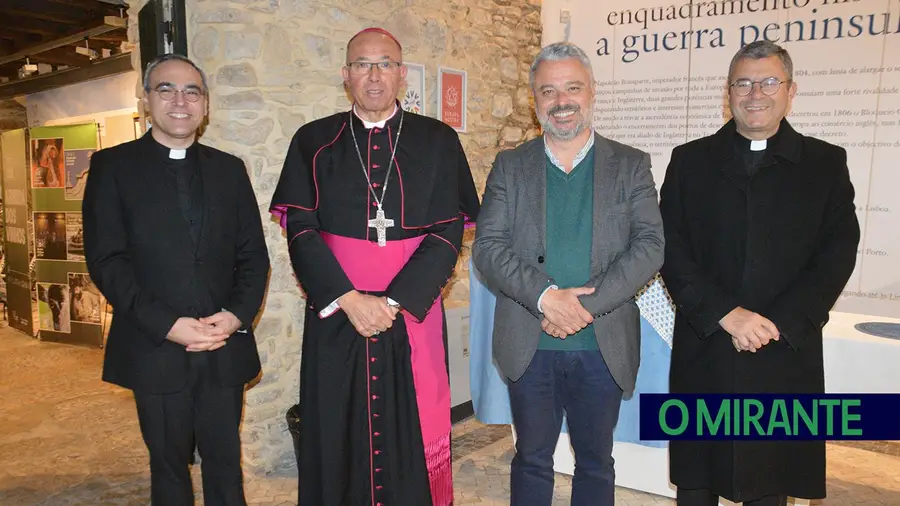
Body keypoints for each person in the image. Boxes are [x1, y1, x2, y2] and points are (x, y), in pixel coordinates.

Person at [269, 27, 480, 506]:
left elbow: (448, 231)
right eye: (362, 64)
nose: (374, 75)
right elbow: (300, 228)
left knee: (412, 422)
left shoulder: (437, 141)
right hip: (337, 312)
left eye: (385, 63)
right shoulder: (314, 140)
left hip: (410, 310)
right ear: (346, 75)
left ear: (402, 74)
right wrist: (349, 299)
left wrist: (392, 301)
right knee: (338, 425)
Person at [659, 40, 861, 506]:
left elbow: (837, 253)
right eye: (743, 83)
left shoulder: (826, 163)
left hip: (782, 349)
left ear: (791, 91)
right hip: (707, 340)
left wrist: (778, 324)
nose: (756, 93)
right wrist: (726, 313)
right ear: (727, 92)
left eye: (769, 82)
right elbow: (670, 245)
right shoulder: (690, 160)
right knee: (698, 480)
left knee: (772, 481)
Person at [472, 41, 665, 506]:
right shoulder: (510, 166)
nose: (561, 101)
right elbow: (487, 249)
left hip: (602, 345)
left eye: (572, 88)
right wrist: (545, 298)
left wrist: (582, 307)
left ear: (592, 92)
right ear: (535, 99)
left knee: (596, 463)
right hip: (530, 344)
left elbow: (650, 246)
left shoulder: (631, 164)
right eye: (548, 91)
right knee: (532, 460)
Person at [83, 53, 270, 506]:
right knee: (167, 466)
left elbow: (253, 256)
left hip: (222, 343)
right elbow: (107, 261)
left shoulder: (230, 168)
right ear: (147, 100)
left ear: (205, 105)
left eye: (192, 91)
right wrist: (167, 324)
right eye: (165, 89)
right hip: (156, 344)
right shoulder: (112, 167)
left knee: (226, 460)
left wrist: (234, 316)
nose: (179, 100)